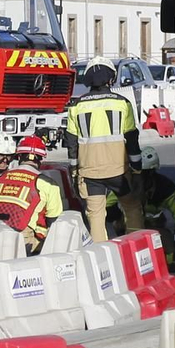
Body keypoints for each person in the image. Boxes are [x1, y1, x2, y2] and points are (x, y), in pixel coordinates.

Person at [61, 56, 141, 242]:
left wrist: (74, 170)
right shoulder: (122, 103)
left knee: (95, 215)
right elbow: (132, 139)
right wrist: (137, 170)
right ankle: (137, 249)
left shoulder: (76, 106)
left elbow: (71, 144)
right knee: (132, 207)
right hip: (118, 170)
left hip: (90, 172)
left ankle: (101, 257)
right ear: (111, 78)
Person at [0, 135, 64, 251]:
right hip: (22, 239)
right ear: (40, 159)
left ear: (19, 156)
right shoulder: (48, 184)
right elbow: (54, 221)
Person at [134, 148, 175, 262]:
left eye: (141, 174)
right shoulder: (127, 185)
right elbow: (109, 207)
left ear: (150, 173)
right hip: (130, 231)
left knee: (172, 255)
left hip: (154, 230)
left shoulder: (166, 188)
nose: (137, 178)